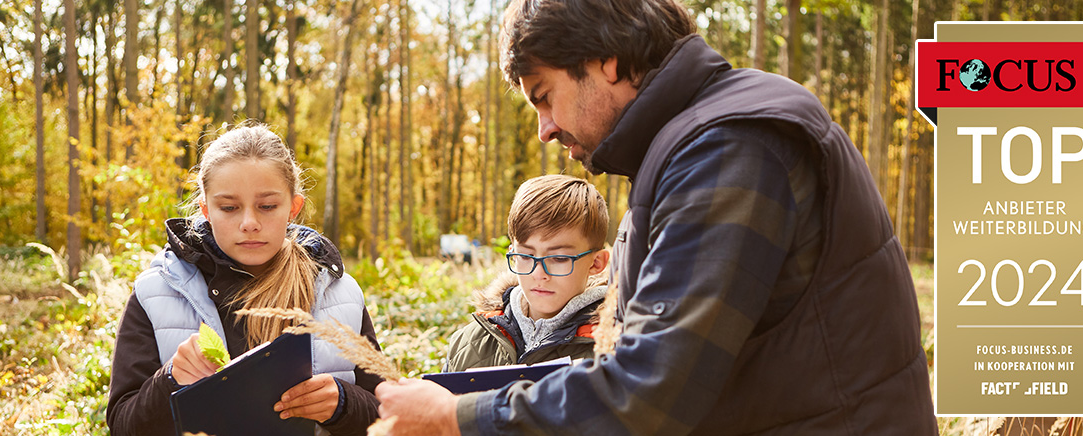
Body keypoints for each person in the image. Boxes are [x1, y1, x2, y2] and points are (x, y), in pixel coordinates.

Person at [375, 0, 937, 434]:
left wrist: (459, 418)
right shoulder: (695, 143)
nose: (544, 128)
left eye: (544, 95)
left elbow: (652, 389)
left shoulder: (729, 147)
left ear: (607, 60)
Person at [107, 124, 384, 435]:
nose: (249, 223)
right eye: (229, 208)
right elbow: (122, 425)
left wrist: (344, 404)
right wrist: (169, 378)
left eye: (267, 206)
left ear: (293, 207)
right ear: (206, 210)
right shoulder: (157, 293)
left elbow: (387, 417)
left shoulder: (340, 294)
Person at [444, 175, 610, 372]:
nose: (539, 274)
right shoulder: (469, 342)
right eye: (525, 255)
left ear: (596, 263)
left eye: (559, 258)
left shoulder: (615, 347)